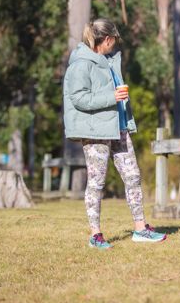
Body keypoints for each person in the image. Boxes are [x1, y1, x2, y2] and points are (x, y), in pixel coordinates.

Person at [63, 18, 167, 249]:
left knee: (133, 176)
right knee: (97, 182)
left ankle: (141, 229)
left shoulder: (108, 61)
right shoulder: (81, 63)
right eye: (114, 41)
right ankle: (95, 235)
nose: (115, 45)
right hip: (96, 131)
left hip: (118, 127)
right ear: (107, 39)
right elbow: (78, 98)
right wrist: (113, 97)